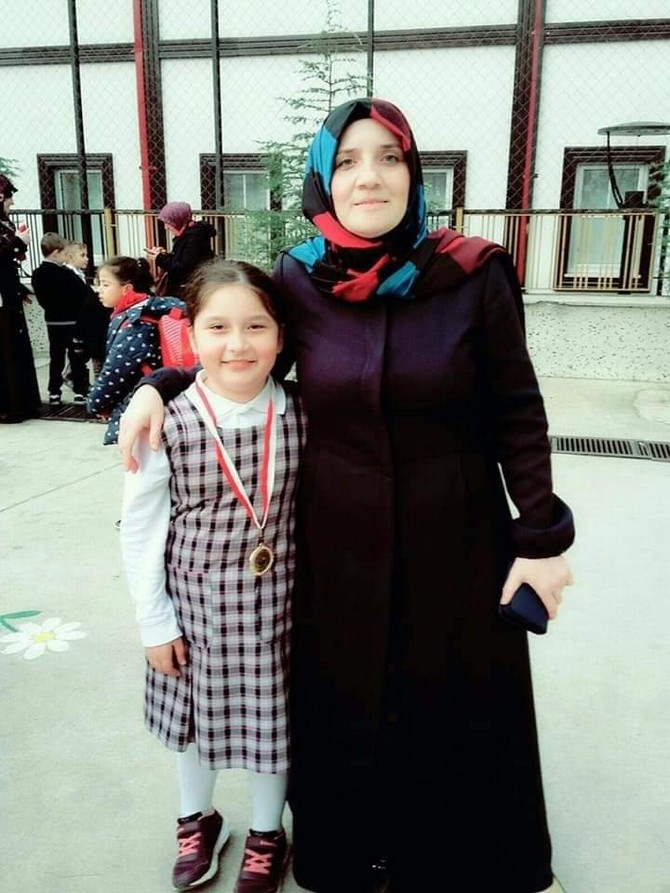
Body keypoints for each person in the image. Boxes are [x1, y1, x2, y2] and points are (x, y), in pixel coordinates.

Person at [119, 98, 574, 893]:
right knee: (349, 698)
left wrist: (541, 539)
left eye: (389, 158)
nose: (370, 177)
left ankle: (450, 857)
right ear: (325, 179)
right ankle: (356, 851)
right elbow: (248, 348)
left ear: (414, 174)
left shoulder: (475, 272)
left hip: (456, 530)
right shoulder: (301, 273)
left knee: (450, 700)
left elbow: (517, 408)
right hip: (336, 537)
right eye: (351, 160)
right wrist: (161, 384)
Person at [120, 259, 304, 893]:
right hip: (195, 611)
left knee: (272, 723)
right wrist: (154, 622)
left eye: (256, 326)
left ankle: (266, 832)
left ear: (281, 336)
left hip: (280, 610)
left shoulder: (303, 412)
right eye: (217, 327)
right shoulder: (164, 422)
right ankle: (197, 819)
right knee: (196, 725)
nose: (237, 344)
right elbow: (140, 527)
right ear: (191, 334)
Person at [87, 255, 191, 445]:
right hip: (161, 394)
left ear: (126, 288)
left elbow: (115, 371)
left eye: (105, 284)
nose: (99, 290)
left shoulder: (135, 323)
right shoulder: (152, 309)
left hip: (141, 402)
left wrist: (95, 404)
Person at [31, 232, 89, 405]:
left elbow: (42, 299)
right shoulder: (66, 274)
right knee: (76, 356)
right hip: (71, 320)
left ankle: (54, 392)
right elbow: (82, 293)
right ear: (56, 253)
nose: (66, 257)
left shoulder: (38, 274)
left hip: (52, 321)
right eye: (64, 253)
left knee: (56, 357)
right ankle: (79, 390)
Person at [0, 174, 40, 422]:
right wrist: (17, 242)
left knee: (15, 345)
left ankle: (22, 403)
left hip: (8, 292)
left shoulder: (4, 222)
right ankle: (8, 406)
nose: (12, 203)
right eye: (8, 197)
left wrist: (19, 289)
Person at [146, 202, 216, 297]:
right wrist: (165, 255)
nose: (166, 228)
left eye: (168, 223)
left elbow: (181, 269)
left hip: (190, 291)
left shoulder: (194, 238)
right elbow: (181, 260)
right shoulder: (189, 235)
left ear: (177, 221)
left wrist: (160, 258)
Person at [64, 241, 111, 380]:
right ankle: (74, 378)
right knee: (81, 356)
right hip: (77, 321)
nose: (87, 259)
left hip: (87, 323)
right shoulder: (68, 275)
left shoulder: (79, 274)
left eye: (87, 255)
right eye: (82, 255)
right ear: (71, 257)